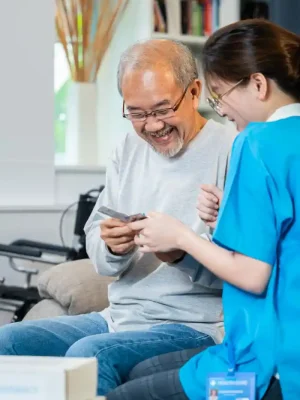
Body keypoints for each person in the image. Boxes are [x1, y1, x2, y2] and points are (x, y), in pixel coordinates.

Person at [0, 39, 235, 396]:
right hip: (119, 318)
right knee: (8, 342)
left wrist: (180, 254)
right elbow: (98, 244)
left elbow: (243, 268)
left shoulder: (232, 150)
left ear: (194, 92)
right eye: (137, 113)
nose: (152, 126)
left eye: (162, 109)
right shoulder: (127, 148)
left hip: (195, 324)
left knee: (90, 355)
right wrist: (112, 245)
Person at [109, 18, 300, 400]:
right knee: (141, 369)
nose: (222, 110)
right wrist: (220, 222)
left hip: (263, 366)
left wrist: (180, 236)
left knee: (121, 395)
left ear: (258, 85)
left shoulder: (256, 143)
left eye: (218, 94)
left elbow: (252, 276)